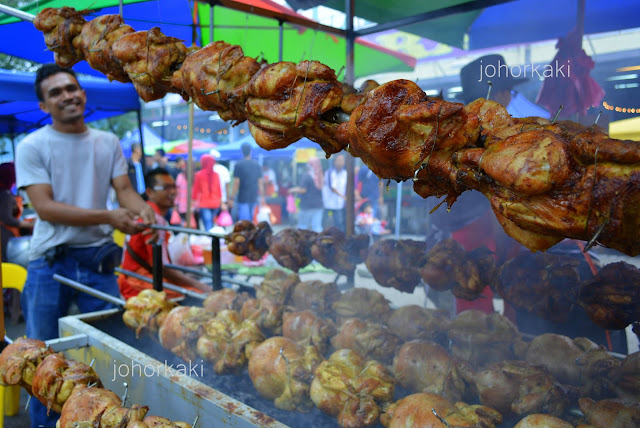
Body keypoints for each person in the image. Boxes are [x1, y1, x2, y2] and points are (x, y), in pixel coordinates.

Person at [15, 63, 155, 428]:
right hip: (51, 265)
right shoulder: (32, 145)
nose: (67, 96)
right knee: (41, 367)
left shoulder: (107, 142)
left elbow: (125, 192)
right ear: (44, 105)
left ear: (83, 92)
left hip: (99, 264)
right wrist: (109, 217)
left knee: (117, 354)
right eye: (56, 92)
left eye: (71, 88)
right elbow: (44, 207)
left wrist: (146, 212)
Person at [118, 168, 210, 299]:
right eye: (166, 187)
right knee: (196, 295)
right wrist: (199, 285)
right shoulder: (153, 219)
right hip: (137, 284)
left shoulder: (154, 215)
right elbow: (160, 268)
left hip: (139, 279)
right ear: (150, 192)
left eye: (174, 187)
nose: (172, 192)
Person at [0, 163, 34, 259]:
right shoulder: (5, 195)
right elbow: (7, 218)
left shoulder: (4, 193)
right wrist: (29, 224)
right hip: (5, 236)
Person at [231, 143, 264, 222]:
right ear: (250, 152)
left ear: (242, 152)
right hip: (254, 195)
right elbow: (260, 183)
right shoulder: (256, 164)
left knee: (245, 221)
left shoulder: (238, 164)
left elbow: (236, 182)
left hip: (242, 196)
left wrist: (233, 196)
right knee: (253, 219)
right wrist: (262, 197)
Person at [289, 158, 324, 232]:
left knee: (302, 227)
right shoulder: (320, 176)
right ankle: (318, 243)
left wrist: (292, 190)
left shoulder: (306, 176)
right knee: (317, 227)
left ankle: (303, 243)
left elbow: (303, 190)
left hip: (307, 206)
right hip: (318, 205)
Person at [192, 155, 222, 231]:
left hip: (204, 203)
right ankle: (212, 238)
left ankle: (210, 238)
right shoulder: (216, 175)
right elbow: (219, 190)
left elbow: (195, 190)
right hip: (215, 202)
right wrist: (221, 202)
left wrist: (193, 203)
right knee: (210, 222)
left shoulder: (199, 174)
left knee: (208, 222)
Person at [322, 153, 347, 231]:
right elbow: (332, 187)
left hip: (339, 203)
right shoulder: (329, 173)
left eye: (342, 160)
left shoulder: (345, 173)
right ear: (334, 162)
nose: (340, 162)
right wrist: (343, 196)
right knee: (325, 223)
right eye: (338, 160)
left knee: (339, 223)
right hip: (328, 202)